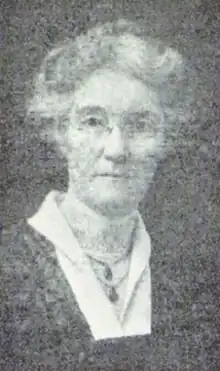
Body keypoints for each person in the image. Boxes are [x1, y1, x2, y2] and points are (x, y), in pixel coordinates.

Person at [0, 18, 218, 371]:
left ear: (167, 138)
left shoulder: (196, 283)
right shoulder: (6, 270)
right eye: (92, 122)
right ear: (60, 132)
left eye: (141, 125)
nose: (117, 149)